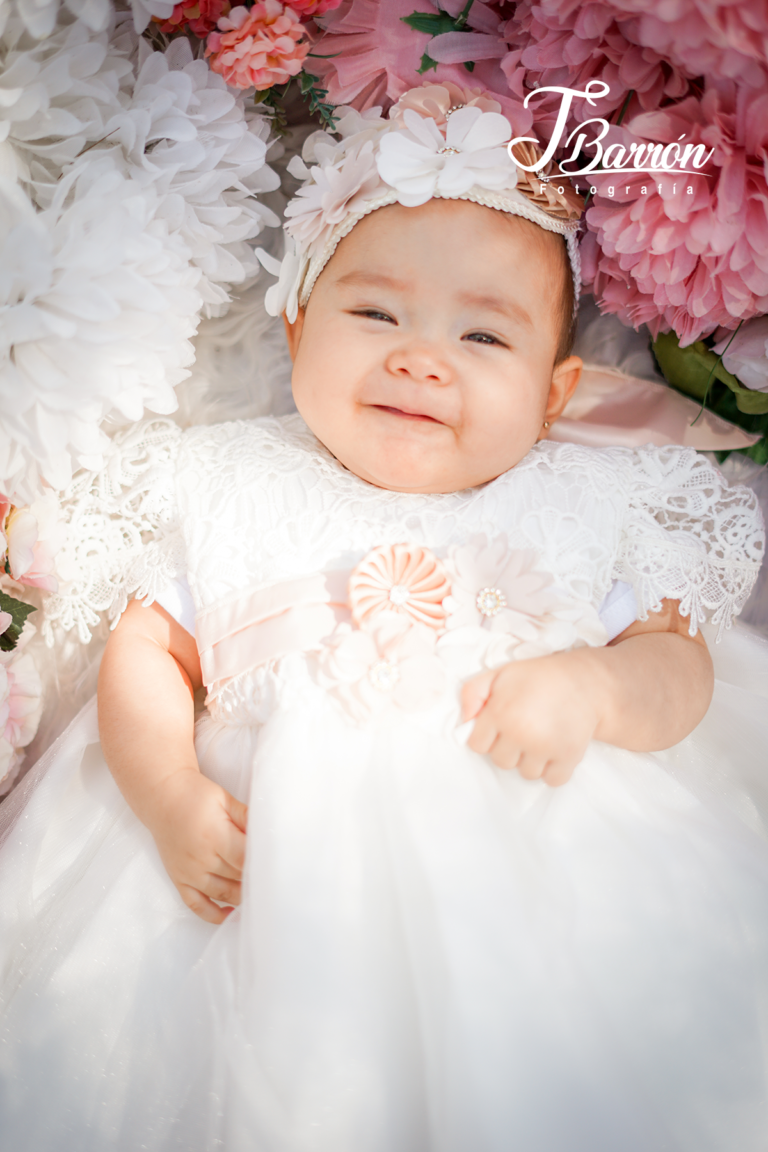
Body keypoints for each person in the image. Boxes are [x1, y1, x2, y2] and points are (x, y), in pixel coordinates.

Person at [1, 83, 767, 1152]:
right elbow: (148, 657)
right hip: (263, 874)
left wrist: (597, 686)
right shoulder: (225, 479)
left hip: (547, 874)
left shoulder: (585, 500)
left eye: (484, 338)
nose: (421, 357)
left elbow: (676, 666)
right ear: (297, 324)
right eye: (375, 313)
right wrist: (170, 792)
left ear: (556, 395)